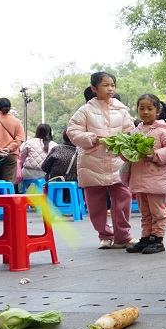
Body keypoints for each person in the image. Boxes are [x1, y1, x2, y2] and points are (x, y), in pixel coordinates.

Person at [67, 72, 137, 248]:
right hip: (92, 162)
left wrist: (127, 145)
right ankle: (104, 235)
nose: (110, 88)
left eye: (112, 84)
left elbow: (130, 132)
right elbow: (72, 133)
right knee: (95, 204)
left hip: (117, 161)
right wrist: (91, 138)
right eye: (106, 85)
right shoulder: (85, 111)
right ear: (94, 89)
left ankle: (123, 237)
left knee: (123, 198)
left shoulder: (122, 110)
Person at [123, 94, 166, 254]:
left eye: (150, 108)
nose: (145, 112)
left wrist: (155, 155)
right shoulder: (135, 131)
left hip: (157, 180)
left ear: (158, 111)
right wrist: (121, 151)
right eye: (142, 108)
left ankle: (158, 239)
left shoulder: (163, 131)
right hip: (140, 179)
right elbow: (128, 155)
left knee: (157, 212)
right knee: (145, 212)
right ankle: (146, 237)